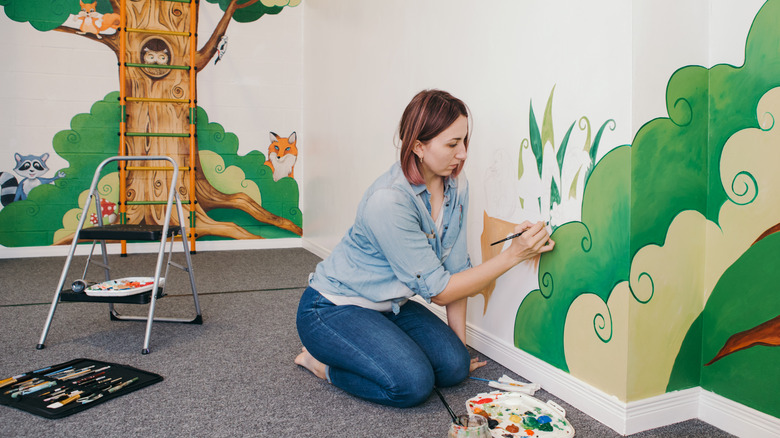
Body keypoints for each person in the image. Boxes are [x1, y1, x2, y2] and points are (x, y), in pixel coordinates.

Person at [295, 89, 554, 408]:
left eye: (464, 141)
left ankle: (383, 347)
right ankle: (322, 365)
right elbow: (441, 292)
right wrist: (514, 254)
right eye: (451, 144)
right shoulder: (388, 201)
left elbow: (457, 270)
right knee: (412, 385)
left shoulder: (458, 186)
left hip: (390, 306)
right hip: (331, 308)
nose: (462, 154)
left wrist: (457, 352)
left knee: (453, 367)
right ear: (418, 145)